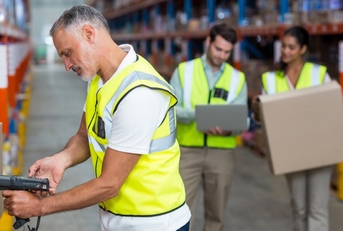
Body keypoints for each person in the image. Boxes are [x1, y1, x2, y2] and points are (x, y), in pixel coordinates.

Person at [2, 5, 191, 231]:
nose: (67, 65)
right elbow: (85, 136)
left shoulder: (139, 94)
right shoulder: (98, 80)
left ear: (89, 34)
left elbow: (109, 184)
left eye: (67, 53)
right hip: (117, 219)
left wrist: (39, 207)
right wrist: (61, 160)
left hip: (154, 222)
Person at [253, 26, 333, 231]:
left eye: (291, 47)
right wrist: (256, 109)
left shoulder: (319, 74)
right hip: (291, 152)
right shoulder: (271, 79)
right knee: (299, 208)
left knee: (317, 208)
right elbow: (264, 119)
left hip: (319, 151)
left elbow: (331, 110)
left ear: (303, 49)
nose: (285, 51)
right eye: (284, 46)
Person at [169, 23, 247, 231]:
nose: (222, 55)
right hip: (188, 151)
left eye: (227, 52)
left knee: (216, 214)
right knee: (180, 212)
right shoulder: (184, 71)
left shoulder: (237, 79)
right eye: (218, 49)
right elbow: (169, 111)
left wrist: (230, 129)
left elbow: (242, 120)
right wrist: (199, 116)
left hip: (221, 153)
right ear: (208, 42)